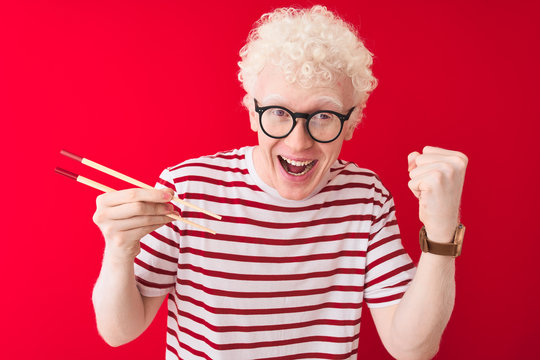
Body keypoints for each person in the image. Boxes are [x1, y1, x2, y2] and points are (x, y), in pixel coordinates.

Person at [91, 5, 468, 360]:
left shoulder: (365, 198)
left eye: (322, 115)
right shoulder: (187, 187)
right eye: (277, 112)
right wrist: (119, 249)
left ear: (350, 122)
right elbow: (118, 331)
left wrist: (441, 230)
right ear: (252, 112)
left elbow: (412, 349)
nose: (298, 142)